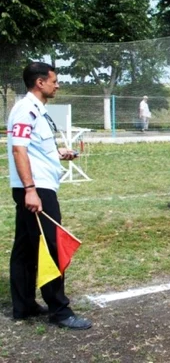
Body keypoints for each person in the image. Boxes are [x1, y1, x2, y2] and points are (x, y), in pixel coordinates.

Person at [6, 62, 92, 330]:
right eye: (54, 80)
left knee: (25, 248)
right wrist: (31, 190)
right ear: (39, 83)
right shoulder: (25, 109)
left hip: (37, 185)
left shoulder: (37, 111)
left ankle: (24, 305)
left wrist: (58, 154)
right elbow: (19, 151)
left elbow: (34, 150)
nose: (58, 84)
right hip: (36, 189)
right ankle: (60, 311)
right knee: (51, 247)